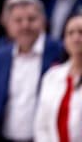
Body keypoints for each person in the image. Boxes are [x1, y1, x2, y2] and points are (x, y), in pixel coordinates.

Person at [0, 0, 63, 142]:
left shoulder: (59, 51)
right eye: (18, 20)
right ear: (8, 24)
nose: (25, 25)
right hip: (3, 138)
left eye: (32, 19)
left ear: (43, 21)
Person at [34, 12, 82, 142]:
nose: (76, 38)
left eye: (81, 32)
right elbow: (41, 125)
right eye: (70, 33)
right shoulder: (51, 76)